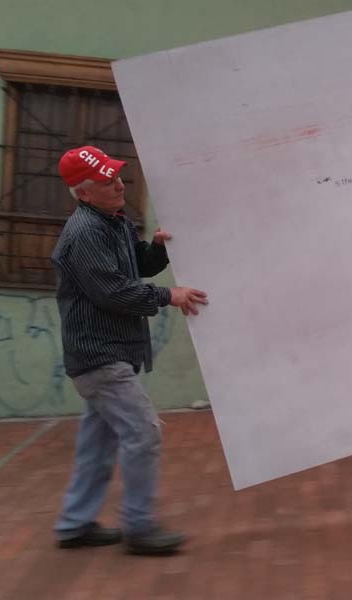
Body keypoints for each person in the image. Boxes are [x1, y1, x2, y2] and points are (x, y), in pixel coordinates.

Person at [52, 145, 208, 554]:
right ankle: (139, 528)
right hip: (99, 357)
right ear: (84, 193)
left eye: (117, 175)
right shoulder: (85, 233)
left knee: (97, 444)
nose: (120, 185)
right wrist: (168, 295)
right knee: (143, 431)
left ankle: (74, 524)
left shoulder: (113, 221)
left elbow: (137, 265)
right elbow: (113, 291)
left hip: (109, 353)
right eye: (108, 181)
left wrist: (157, 247)